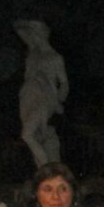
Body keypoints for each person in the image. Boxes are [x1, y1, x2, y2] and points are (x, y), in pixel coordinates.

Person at [13, 19, 69, 167]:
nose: (30, 37)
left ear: (39, 35)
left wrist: (59, 101)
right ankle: (42, 170)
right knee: (36, 135)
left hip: (46, 97)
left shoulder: (55, 58)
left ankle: (46, 168)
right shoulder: (32, 55)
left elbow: (64, 83)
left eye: (33, 33)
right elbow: (19, 30)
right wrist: (25, 22)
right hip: (28, 96)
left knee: (27, 134)